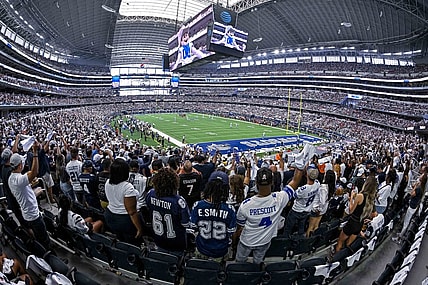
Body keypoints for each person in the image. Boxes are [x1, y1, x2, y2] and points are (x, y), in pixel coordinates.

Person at [235, 144, 316, 264]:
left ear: (256, 183)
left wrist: (234, 241)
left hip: (247, 241)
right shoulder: (279, 198)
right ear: (272, 182)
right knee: (258, 261)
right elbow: (295, 181)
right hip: (265, 240)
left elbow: (239, 229)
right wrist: (300, 166)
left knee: (240, 262)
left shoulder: (245, 205)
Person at [8, 141, 50, 246]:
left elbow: (21, 192)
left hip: (26, 213)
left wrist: (30, 188)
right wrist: (35, 151)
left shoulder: (11, 178)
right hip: (33, 215)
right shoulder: (19, 179)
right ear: (20, 165)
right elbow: (34, 172)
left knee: (38, 235)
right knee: (44, 239)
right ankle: (49, 257)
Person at [330, 174, 378, 259]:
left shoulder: (360, 196)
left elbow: (351, 210)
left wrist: (351, 198)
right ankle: (343, 258)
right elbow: (374, 214)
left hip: (352, 222)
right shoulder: (371, 199)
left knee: (340, 241)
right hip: (359, 225)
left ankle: (335, 259)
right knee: (348, 244)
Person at [190, 176, 236, 261]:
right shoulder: (230, 209)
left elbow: (193, 227)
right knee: (217, 272)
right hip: (220, 250)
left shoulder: (198, 205)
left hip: (202, 247)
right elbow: (231, 232)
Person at [145, 167, 191, 253]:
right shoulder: (179, 201)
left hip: (158, 238)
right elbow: (186, 223)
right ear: (174, 183)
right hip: (176, 242)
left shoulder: (150, 194)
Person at [104, 159, 143, 246]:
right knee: (133, 245)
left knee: (121, 240)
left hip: (110, 215)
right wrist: (139, 228)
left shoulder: (107, 182)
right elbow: (132, 212)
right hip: (124, 219)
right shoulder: (127, 187)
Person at [283, 164, 320, 238]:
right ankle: (300, 242)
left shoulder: (303, 189)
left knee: (288, 228)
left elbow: (294, 195)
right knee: (301, 228)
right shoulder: (317, 184)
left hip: (296, 210)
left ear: (307, 175)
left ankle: (285, 242)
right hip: (306, 210)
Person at [392, 165, 426, 244]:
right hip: (414, 205)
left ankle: (399, 238)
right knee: (406, 221)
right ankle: (401, 234)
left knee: (406, 222)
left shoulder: (419, 188)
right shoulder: (421, 188)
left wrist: (415, 187)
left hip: (412, 206)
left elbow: (412, 194)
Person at [306, 169, 336, 237]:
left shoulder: (323, 187)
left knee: (310, 227)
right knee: (316, 226)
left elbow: (322, 201)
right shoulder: (331, 187)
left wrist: (318, 209)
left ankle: (307, 241)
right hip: (323, 210)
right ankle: (312, 240)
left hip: (317, 209)